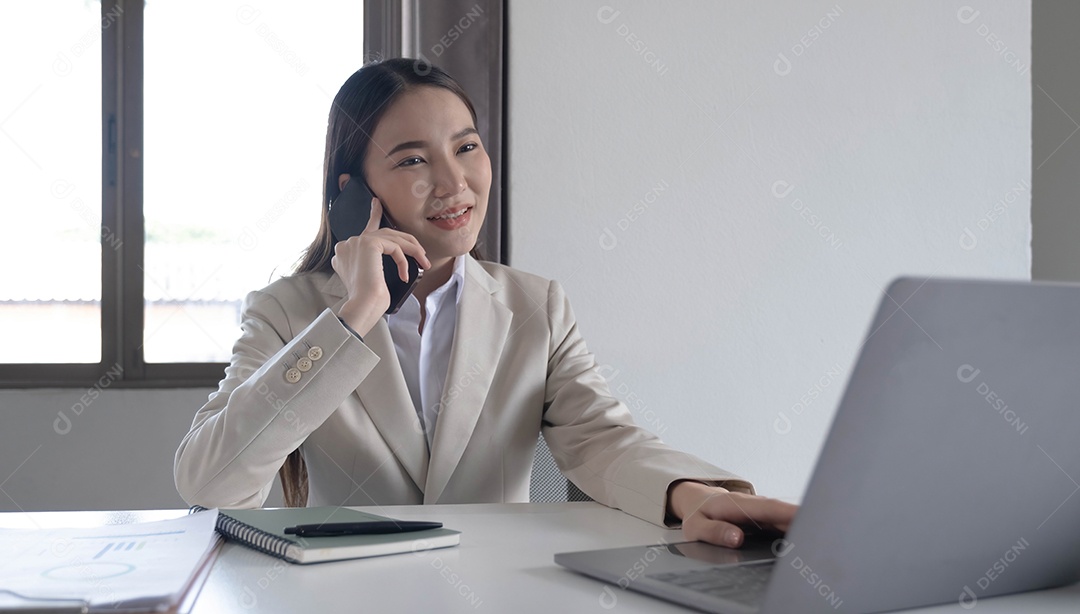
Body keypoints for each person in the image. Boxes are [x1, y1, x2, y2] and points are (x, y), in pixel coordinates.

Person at [174, 58, 796, 548]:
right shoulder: (287, 311)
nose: (454, 183)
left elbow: (604, 441)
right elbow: (210, 482)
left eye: (466, 147)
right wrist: (353, 315)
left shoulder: (535, 305)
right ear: (354, 191)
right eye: (413, 159)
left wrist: (691, 493)